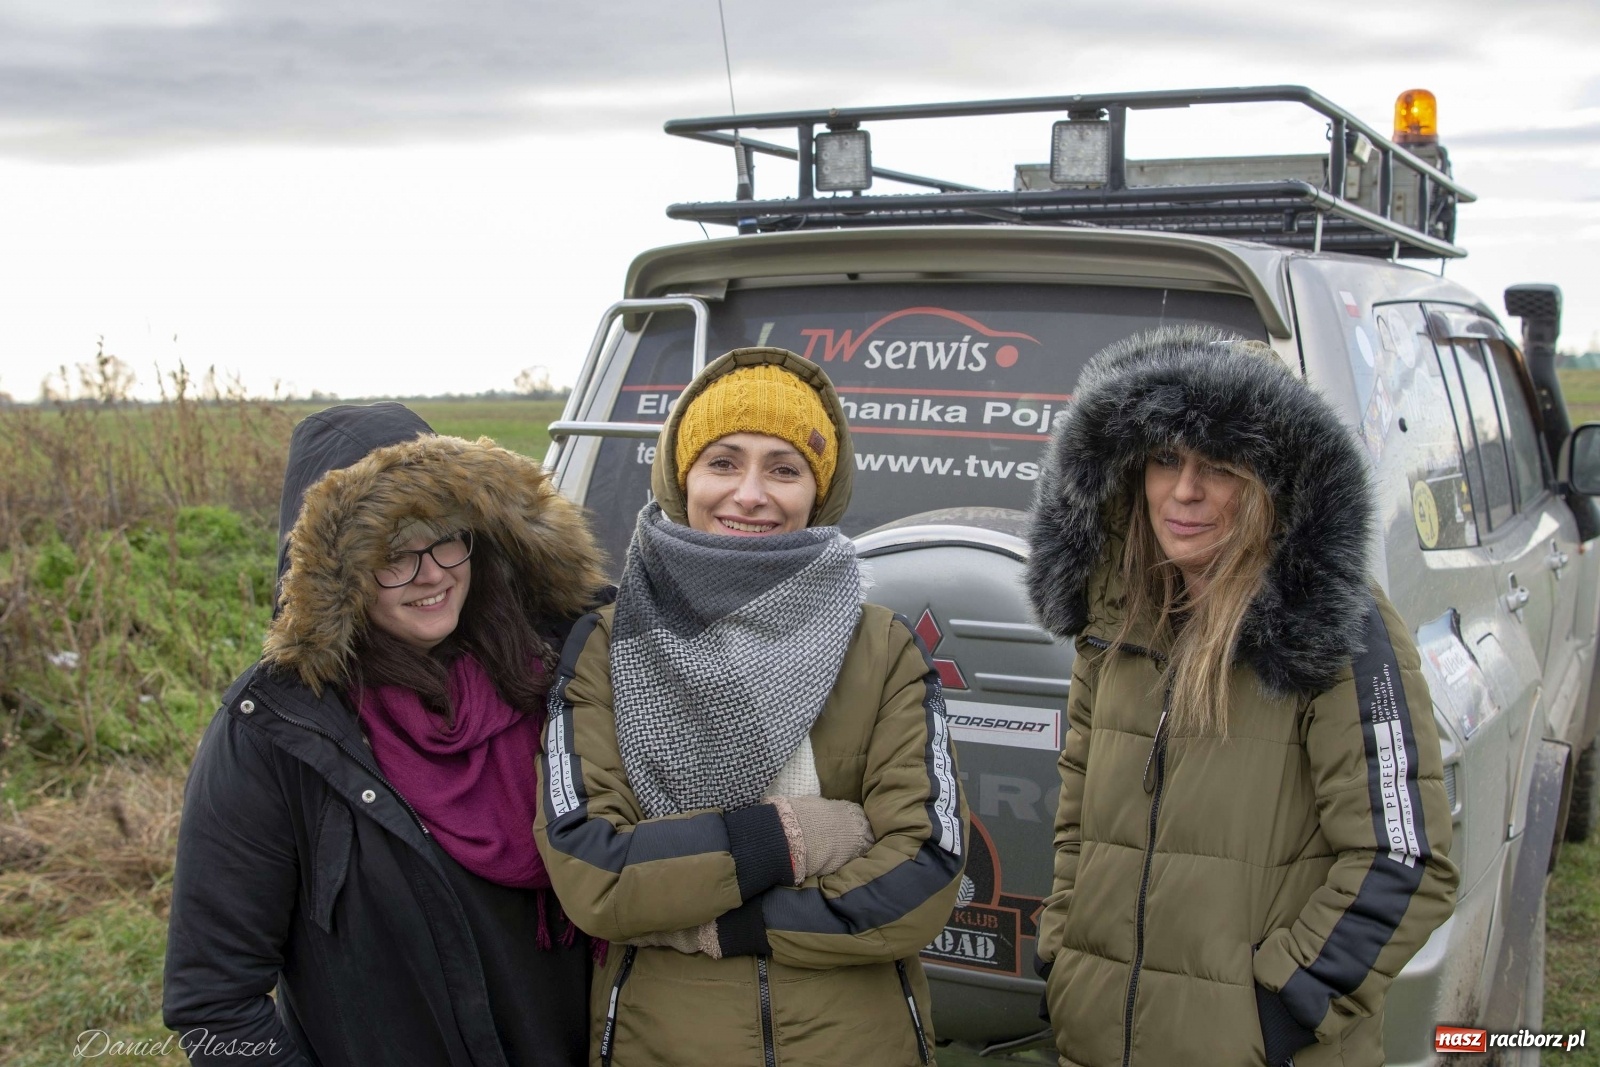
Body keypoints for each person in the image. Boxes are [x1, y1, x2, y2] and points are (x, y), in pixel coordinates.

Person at [1025, 326, 1458, 1067]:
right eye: (1165, 458)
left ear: (1269, 481)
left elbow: (1406, 859)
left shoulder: (1333, 623)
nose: (1184, 491)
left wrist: (1283, 1006)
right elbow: (1079, 820)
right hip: (1096, 1041)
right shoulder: (1115, 615)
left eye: (1220, 465)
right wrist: (1065, 954)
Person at [535, 347, 969, 1067]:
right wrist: (793, 836)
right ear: (683, 476)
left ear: (817, 490)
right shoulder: (607, 645)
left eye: (784, 467)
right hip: (662, 1040)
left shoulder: (880, 647)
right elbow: (596, 870)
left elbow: (923, 868)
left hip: (856, 1043)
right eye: (724, 461)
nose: (750, 493)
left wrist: (722, 925)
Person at [163, 403, 611, 1067]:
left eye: (443, 536)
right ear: (333, 578)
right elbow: (214, 1000)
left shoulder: (560, 671)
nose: (430, 572)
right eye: (390, 554)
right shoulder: (277, 734)